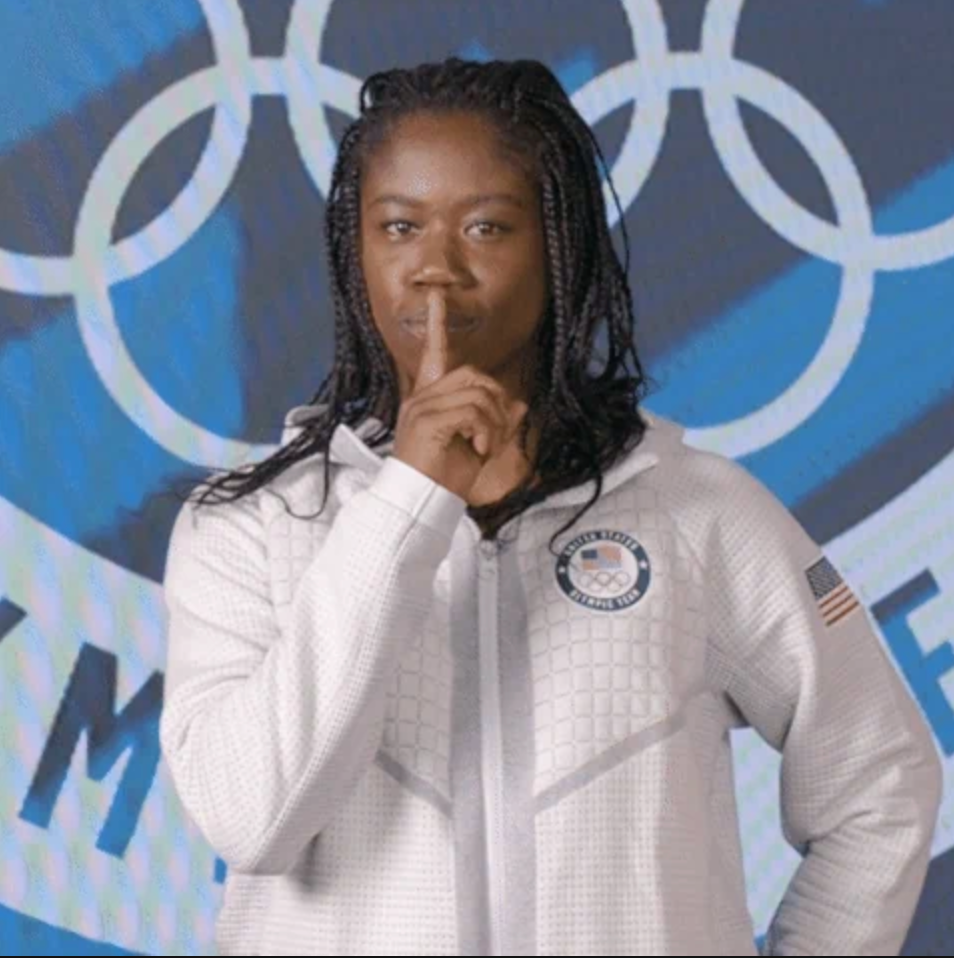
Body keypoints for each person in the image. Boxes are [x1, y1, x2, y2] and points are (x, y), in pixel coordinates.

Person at [158, 56, 943, 956]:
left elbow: (879, 779)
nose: (435, 271)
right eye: (400, 226)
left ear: (558, 243)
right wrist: (407, 501)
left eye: (487, 226)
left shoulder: (701, 513)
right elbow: (252, 819)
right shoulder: (249, 529)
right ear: (353, 251)